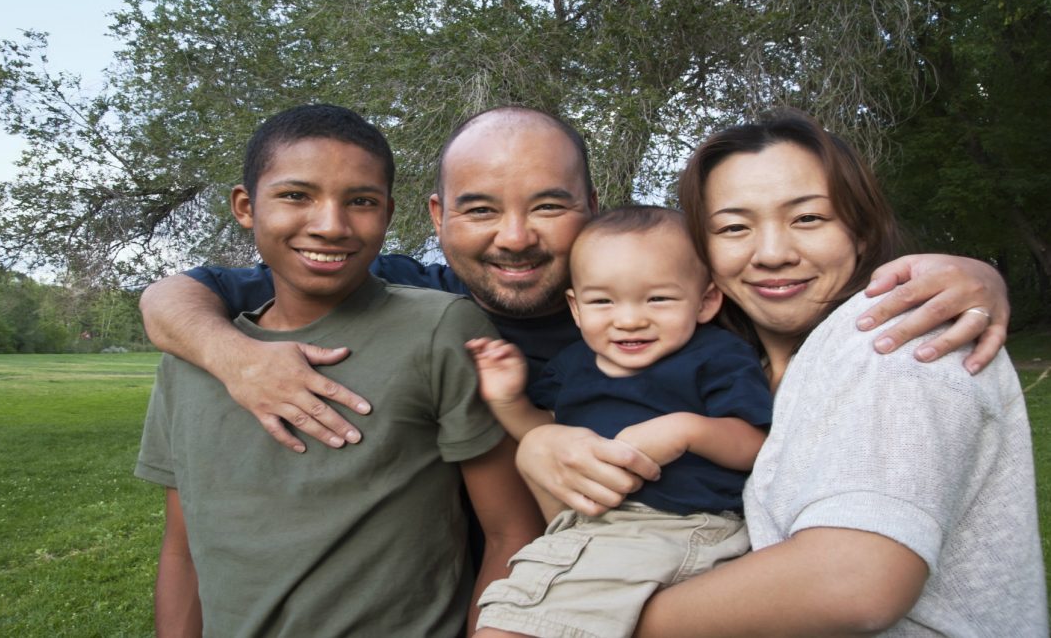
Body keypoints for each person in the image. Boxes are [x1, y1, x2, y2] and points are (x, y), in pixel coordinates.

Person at [138, 106, 1012, 457]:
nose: (515, 238)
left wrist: (970, 275)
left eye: (549, 206)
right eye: (480, 209)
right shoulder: (406, 295)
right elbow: (173, 296)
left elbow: (780, 275)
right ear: (438, 219)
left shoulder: (667, 306)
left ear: (592, 210)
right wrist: (237, 358)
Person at [516, 110, 1047, 636]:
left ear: (861, 230)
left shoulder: (901, 339)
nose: (772, 253)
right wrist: (538, 445)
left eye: (808, 218)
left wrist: (585, 621)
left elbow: (853, 584)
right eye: (733, 227)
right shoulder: (728, 359)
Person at [134, 104, 543, 637]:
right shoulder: (192, 357)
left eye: (361, 201)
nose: (330, 226)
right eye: (295, 195)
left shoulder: (440, 329)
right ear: (245, 206)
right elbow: (182, 550)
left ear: (388, 213)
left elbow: (513, 533)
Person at [466, 206, 772, 638]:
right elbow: (544, 435)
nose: (629, 320)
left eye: (658, 299)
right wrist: (508, 400)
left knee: (510, 626)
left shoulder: (716, 355)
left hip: (679, 526)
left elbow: (755, 444)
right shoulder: (572, 365)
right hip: (588, 529)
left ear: (705, 301)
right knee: (502, 610)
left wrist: (686, 430)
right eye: (603, 301)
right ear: (576, 308)